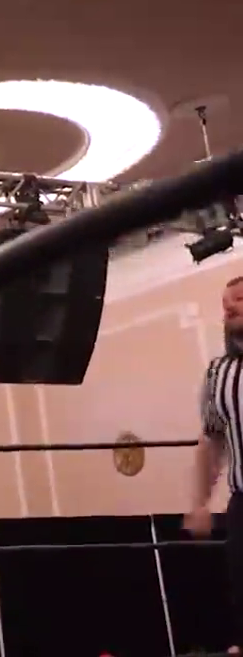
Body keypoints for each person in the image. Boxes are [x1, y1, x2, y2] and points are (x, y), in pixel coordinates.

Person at [187, 275, 243, 657]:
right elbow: (211, 440)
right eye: (225, 302)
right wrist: (200, 501)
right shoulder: (218, 374)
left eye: (239, 298)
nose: (229, 306)